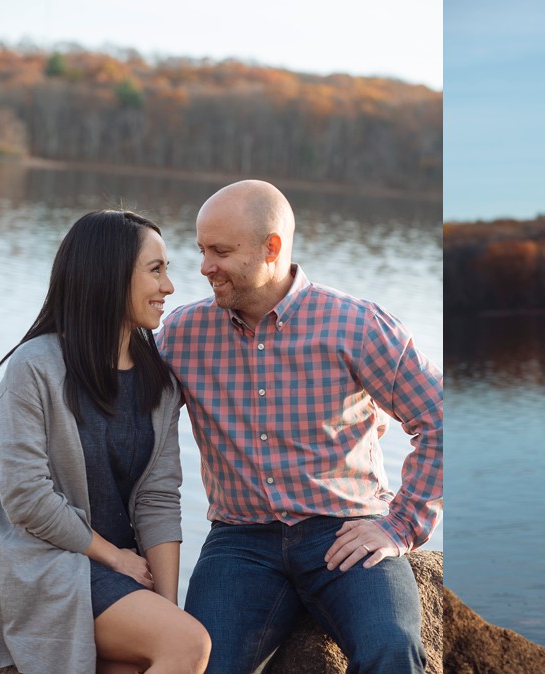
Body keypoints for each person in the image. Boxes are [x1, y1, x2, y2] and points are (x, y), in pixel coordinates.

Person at [156, 179, 442, 673]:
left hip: (344, 531)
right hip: (240, 540)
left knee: (392, 650)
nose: (204, 267)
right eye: (202, 250)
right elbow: (123, 408)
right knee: (203, 664)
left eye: (221, 252)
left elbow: (438, 418)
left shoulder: (356, 325)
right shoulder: (183, 334)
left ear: (271, 248)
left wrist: (400, 525)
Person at [0, 211, 211, 674]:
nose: (169, 286)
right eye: (156, 270)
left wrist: (163, 606)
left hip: (121, 572)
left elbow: (158, 497)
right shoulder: (35, 367)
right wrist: (115, 559)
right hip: (49, 563)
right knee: (189, 644)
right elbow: (26, 496)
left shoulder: (160, 384)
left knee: (159, 648)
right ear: (109, 275)